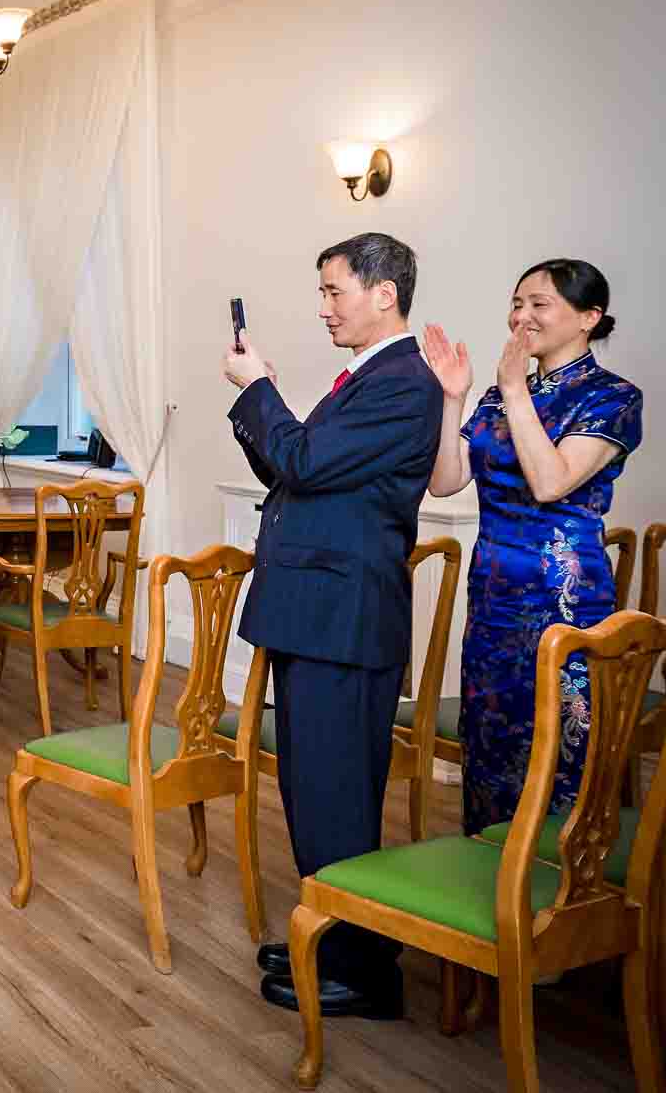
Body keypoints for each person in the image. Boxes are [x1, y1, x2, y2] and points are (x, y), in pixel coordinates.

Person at [223, 232, 440, 1021]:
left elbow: (306, 462)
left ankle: (362, 970)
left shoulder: (402, 382)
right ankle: (339, 936)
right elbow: (297, 470)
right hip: (321, 615)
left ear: (385, 293)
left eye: (333, 291)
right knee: (316, 793)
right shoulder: (372, 377)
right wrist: (264, 396)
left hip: (344, 619)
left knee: (336, 798)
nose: (323, 308)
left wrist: (256, 390)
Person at [421, 259, 642, 835]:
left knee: (562, 743)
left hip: (563, 600)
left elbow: (551, 482)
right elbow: (445, 480)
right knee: (491, 740)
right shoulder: (498, 395)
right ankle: (494, 877)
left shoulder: (612, 396)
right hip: (494, 596)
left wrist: (516, 390)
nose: (522, 316)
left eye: (539, 305)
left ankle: (564, 893)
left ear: (589, 318)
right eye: (517, 303)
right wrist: (454, 398)